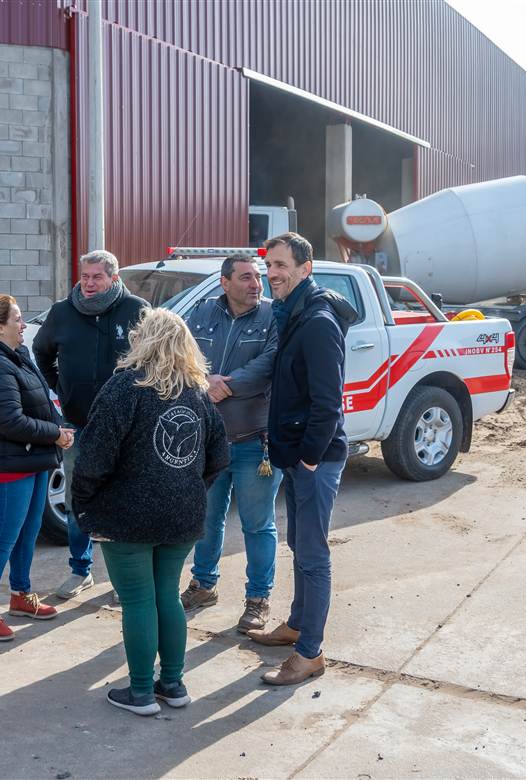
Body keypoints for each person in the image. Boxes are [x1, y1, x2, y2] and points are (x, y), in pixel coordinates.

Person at [72, 309, 230, 716]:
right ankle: (173, 684)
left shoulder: (124, 388)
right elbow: (219, 456)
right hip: (181, 514)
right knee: (167, 596)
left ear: (144, 341)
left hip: (127, 514)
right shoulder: (197, 392)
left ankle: (141, 691)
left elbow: (93, 457)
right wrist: (189, 487)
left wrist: (84, 501)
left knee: (139, 599)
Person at [248, 232, 358, 686]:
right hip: (294, 455)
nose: (271, 273)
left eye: (281, 266)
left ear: (306, 269)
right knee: (299, 545)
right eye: (268, 265)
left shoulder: (316, 322)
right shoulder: (291, 314)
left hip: (314, 459)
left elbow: (328, 402)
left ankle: (309, 652)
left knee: (313, 554)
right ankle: (296, 623)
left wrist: (310, 458)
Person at [32, 249, 149, 600]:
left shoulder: (137, 311)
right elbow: (41, 354)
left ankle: (125, 576)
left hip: (127, 426)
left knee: (124, 499)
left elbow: (155, 358)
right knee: (77, 497)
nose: (89, 283)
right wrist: (63, 390)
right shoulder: (62, 314)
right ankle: (80, 570)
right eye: (85, 276)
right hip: (78, 423)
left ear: (114, 278)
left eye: (97, 276)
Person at [179, 253, 284, 633]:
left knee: (258, 525)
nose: (256, 284)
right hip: (208, 440)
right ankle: (203, 585)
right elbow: (182, 356)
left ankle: (258, 599)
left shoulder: (274, 315)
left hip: (257, 443)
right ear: (224, 283)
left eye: (258, 278)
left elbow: (270, 364)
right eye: (246, 278)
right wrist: (204, 382)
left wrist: (224, 386)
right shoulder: (203, 312)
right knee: (206, 518)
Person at [0, 294, 75, 641]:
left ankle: (21, 595)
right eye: (17, 319)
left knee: (28, 532)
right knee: (4, 536)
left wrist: (59, 426)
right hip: (11, 461)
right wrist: (56, 434)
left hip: (35, 457)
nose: (23, 324)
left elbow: (41, 400)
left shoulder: (19, 356)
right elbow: (11, 422)